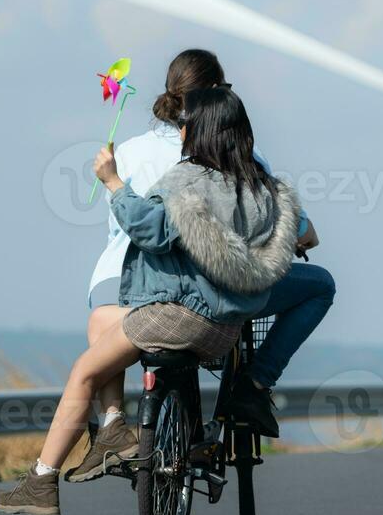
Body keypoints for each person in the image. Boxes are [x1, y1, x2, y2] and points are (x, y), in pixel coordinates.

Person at [0, 88, 301, 515]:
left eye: (187, 124)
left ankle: (42, 480)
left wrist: (113, 181)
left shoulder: (189, 179)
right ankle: (114, 426)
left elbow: (151, 232)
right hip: (224, 326)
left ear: (199, 131)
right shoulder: (263, 189)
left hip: (181, 315)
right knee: (102, 320)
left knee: (83, 372)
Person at [63, 49, 332, 485]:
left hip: (118, 276)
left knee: (104, 338)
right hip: (202, 287)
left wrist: (114, 183)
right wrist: (300, 232)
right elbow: (272, 210)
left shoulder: (128, 151)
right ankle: (254, 384)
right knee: (315, 286)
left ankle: (111, 424)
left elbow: (123, 226)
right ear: (218, 97)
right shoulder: (233, 152)